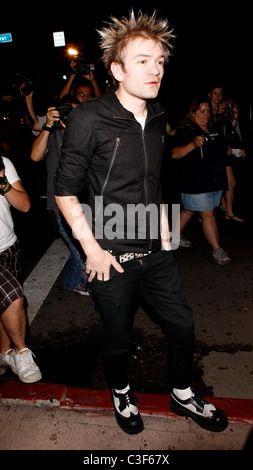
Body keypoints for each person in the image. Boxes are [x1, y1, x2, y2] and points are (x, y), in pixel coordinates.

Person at [54, 10, 228, 435]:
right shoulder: (88, 118)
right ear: (116, 69)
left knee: (182, 325)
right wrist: (90, 249)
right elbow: (64, 190)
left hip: (155, 250)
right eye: (143, 60)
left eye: (160, 61)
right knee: (117, 338)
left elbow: (154, 180)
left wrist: (167, 227)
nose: (155, 69)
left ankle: (183, 393)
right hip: (109, 255)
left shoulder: (158, 116)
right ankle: (120, 391)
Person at [31, 96, 90, 296]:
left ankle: (72, 282)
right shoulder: (53, 135)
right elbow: (35, 156)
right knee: (83, 251)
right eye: (67, 111)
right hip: (60, 206)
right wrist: (47, 126)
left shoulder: (86, 134)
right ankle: (88, 284)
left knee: (79, 247)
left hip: (87, 204)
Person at [171, 96, 231, 265]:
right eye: (202, 111)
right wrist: (192, 145)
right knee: (208, 214)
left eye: (208, 111)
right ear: (193, 113)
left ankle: (173, 236)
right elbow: (174, 154)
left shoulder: (212, 129)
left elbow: (218, 153)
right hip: (195, 182)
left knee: (190, 210)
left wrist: (230, 151)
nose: (206, 115)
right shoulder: (186, 131)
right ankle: (217, 250)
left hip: (214, 181)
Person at [0, 156, 42, 383]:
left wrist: (3, 182)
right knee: (14, 299)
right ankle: (22, 352)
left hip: (9, 245)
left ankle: (4, 354)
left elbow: (24, 205)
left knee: (3, 306)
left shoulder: (3, 162)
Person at [208, 85, 245, 222]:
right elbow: (209, 127)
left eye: (220, 93)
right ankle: (205, 213)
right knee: (213, 182)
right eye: (215, 93)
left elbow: (230, 129)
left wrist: (234, 114)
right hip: (213, 149)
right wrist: (217, 114)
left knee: (231, 182)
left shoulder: (223, 109)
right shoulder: (206, 109)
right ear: (210, 94)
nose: (218, 96)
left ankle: (229, 211)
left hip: (225, 148)